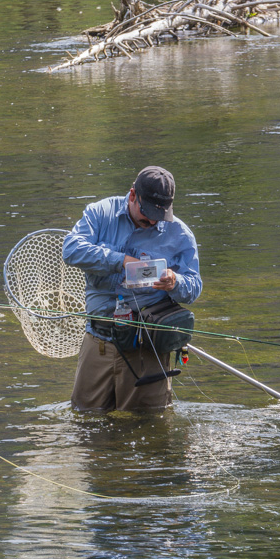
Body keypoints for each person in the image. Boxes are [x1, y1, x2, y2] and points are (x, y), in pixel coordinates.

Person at [62, 166, 202, 412]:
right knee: (85, 423)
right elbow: (71, 250)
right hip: (98, 342)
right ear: (132, 195)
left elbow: (194, 288)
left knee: (147, 430)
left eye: (160, 216)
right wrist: (121, 261)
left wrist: (175, 282)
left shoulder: (180, 234)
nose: (152, 222)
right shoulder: (99, 213)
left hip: (147, 348)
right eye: (146, 214)